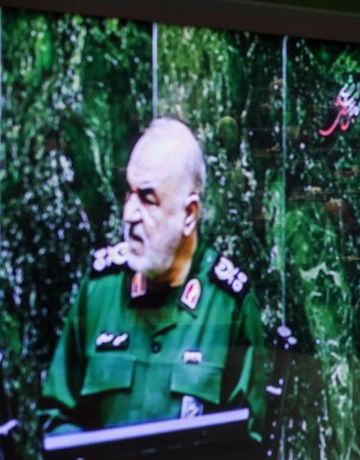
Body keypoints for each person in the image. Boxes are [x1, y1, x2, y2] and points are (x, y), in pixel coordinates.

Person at [40, 118, 267, 443]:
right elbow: (55, 418)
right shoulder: (100, 289)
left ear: (189, 214)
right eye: (129, 193)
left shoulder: (229, 306)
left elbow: (248, 443)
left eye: (147, 199)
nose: (129, 214)